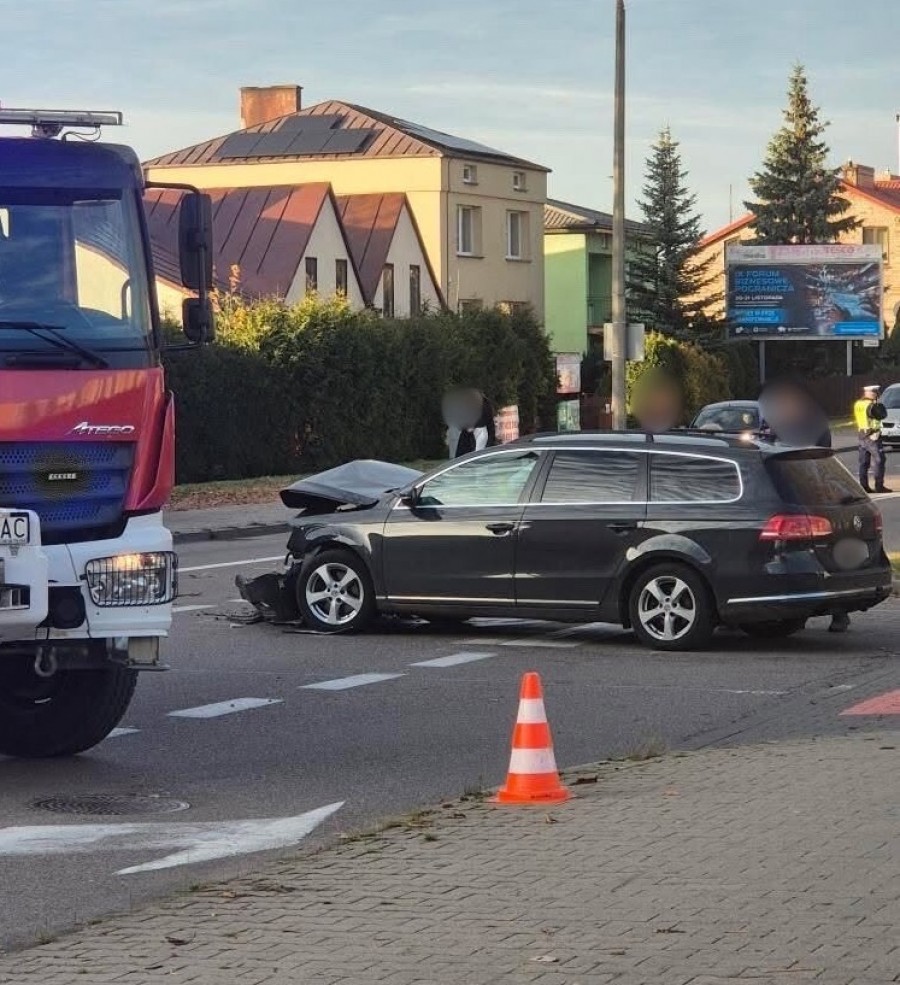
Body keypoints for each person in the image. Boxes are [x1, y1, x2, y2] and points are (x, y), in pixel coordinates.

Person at [759, 379, 849, 633]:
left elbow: (819, 457)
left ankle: (839, 611)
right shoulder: (775, 424)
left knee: (827, 555)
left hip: (812, 492)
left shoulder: (813, 426)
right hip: (787, 491)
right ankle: (792, 613)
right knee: (795, 557)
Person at [854, 384, 890, 494]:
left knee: (864, 463)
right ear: (868, 393)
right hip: (872, 435)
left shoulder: (858, 404)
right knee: (880, 460)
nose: (876, 394)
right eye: (874, 392)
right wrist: (877, 403)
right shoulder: (872, 405)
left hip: (861, 435)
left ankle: (864, 487)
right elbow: (882, 415)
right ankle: (879, 486)